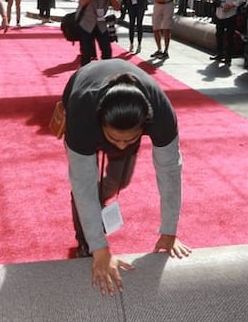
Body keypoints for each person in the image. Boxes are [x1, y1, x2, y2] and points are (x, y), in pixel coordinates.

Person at [61, 60, 190, 295]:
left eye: (130, 140)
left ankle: (98, 205)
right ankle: (84, 240)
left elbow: (170, 171)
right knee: (85, 189)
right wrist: (99, 249)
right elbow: (82, 182)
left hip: (129, 109)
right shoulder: (83, 114)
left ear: (145, 126)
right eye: (114, 138)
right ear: (100, 124)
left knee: (120, 180)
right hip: (82, 89)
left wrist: (169, 230)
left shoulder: (161, 114)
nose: (121, 146)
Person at [76, 0, 121, 66]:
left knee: (107, 51)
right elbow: (82, 2)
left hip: (102, 23)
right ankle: (84, 76)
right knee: (86, 53)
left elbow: (117, 7)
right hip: (86, 21)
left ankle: (105, 74)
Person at [209, 0, 244, 66]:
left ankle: (228, 57)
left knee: (230, 36)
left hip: (230, 14)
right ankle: (219, 53)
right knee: (219, 34)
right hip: (219, 12)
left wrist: (231, 5)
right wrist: (215, 1)